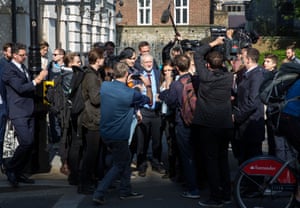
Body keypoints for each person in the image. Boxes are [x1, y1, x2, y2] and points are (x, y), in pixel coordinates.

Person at [93, 62, 152, 205]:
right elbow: (149, 101)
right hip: (119, 134)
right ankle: (100, 191)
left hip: (106, 131)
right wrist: (148, 85)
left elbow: (117, 94)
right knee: (120, 163)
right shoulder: (131, 93)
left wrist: (127, 84)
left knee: (124, 159)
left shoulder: (105, 86)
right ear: (127, 74)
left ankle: (125, 190)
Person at [191, 37, 234, 207]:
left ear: (208, 65)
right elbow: (230, 64)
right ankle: (226, 194)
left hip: (208, 124)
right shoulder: (229, 77)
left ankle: (215, 196)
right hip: (224, 124)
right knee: (223, 159)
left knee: (211, 161)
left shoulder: (205, 76)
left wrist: (214, 43)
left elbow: (197, 54)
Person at [1, 43, 48, 187]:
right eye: (22, 55)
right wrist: (37, 80)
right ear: (14, 55)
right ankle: (10, 167)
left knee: (29, 143)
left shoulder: (22, 67)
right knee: (26, 141)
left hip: (29, 109)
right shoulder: (8, 69)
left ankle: (18, 172)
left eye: (25, 54)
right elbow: (20, 88)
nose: (25, 57)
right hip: (18, 111)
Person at [159, 54, 200, 199]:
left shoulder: (177, 84)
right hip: (198, 121)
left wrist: (163, 93)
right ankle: (200, 182)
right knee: (198, 153)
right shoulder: (196, 80)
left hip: (183, 122)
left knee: (187, 155)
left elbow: (170, 101)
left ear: (176, 68)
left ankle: (192, 188)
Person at [78, 47, 105, 194]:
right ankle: (84, 183)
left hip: (95, 117)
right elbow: (95, 99)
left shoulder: (95, 74)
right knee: (91, 153)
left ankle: (92, 179)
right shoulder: (91, 76)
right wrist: (107, 93)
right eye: (103, 57)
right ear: (98, 59)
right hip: (92, 118)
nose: (104, 59)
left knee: (95, 152)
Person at [232, 47, 265, 165]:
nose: (241, 59)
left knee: (253, 157)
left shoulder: (257, 75)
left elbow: (253, 101)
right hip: (245, 123)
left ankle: (253, 181)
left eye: (243, 57)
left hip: (251, 122)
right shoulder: (248, 73)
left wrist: (237, 116)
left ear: (249, 60)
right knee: (244, 156)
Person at [135, 54, 164, 177]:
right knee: (142, 141)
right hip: (144, 111)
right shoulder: (138, 76)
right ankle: (141, 165)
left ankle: (156, 163)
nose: (148, 64)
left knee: (157, 140)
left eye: (150, 62)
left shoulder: (158, 74)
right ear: (141, 63)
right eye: (146, 62)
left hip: (156, 111)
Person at [263, 54, 279, 156]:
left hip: (273, 110)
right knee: (270, 139)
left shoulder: (275, 76)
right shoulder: (264, 74)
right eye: (264, 61)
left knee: (274, 139)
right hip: (267, 110)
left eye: (268, 61)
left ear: (274, 64)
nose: (265, 63)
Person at [0, 42, 12, 168]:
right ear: (4, 52)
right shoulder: (2, 65)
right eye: (10, 51)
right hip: (4, 104)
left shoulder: (12, 64)